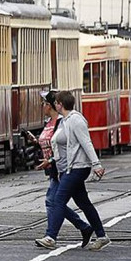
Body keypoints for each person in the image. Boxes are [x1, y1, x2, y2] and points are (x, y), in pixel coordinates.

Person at [35, 91, 110, 251]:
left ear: (60, 104)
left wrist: (96, 164)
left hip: (78, 167)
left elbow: (86, 142)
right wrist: (51, 161)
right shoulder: (65, 121)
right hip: (68, 168)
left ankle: (51, 237)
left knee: (58, 200)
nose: (55, 104)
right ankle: (101, 235)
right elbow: (61, 146)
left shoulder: (76, 120)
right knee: (84, 203)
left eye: (56, 102)